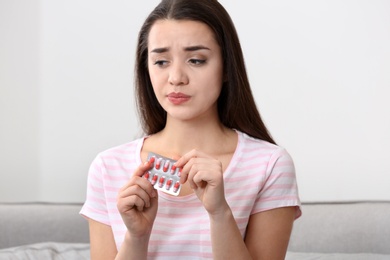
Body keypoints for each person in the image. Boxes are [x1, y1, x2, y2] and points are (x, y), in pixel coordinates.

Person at [80, 0, 301, 259]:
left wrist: (220, 214)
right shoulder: (108, 168)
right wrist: (137, 237)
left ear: (227, 67)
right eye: (161, 62)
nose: (176, 77)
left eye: (196, 60)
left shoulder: (270, 165)